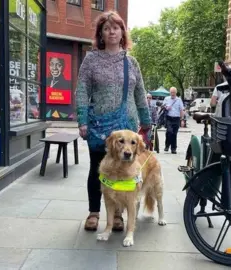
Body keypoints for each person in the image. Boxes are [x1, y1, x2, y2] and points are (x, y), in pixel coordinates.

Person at [75, 11, 151, 232]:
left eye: (115, 28)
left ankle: (118, 214)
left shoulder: (132, 62)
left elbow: (140, 93)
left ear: (122, 32)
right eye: (106, 28)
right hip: (99, 127)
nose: (111, 32)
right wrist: (82, 121)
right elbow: (82, 91)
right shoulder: (91, 60)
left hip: (126, 125)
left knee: (125, 171)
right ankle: (94, 212)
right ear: (101, 33)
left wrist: (146, 122)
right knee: (97, 170)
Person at [163, 87, 184, 154]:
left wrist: (182, 119)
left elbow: (181, 110)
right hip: (169, 118)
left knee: (174, 134)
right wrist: (166, 107)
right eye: (171, 92)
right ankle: (167, 145)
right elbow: (163, 106)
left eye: (174, 92)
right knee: (169, 132)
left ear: (176, 93)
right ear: (170, 92)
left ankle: (173, 148)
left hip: (176, 119)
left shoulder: (179, 100)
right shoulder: (166, 99)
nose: (172, 94)